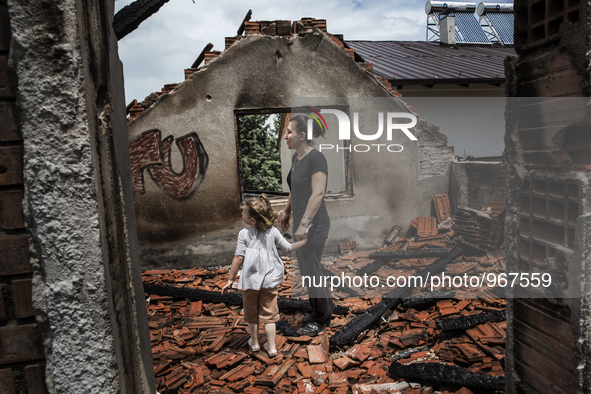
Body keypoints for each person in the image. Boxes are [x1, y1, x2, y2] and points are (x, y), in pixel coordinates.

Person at [222, 194, 307, 357]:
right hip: (269, 282)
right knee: (270, 316)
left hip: (250, 283)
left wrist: (230, 279)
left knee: (251, 314)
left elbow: (238, 258)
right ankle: (272, 346)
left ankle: (254, 343)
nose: (242, 214)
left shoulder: (243, 234)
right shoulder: (272, 232)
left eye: (244, 212)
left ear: (252, 220)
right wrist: (304, 242)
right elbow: (288, 248)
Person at [280, 114, 333, 337]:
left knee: (311, 271)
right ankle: (322, 309)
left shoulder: (316, 158)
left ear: (302, 135)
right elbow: (295, 189)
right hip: (302, 226)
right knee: (309, 269)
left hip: (314, 225)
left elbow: (318, 193)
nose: (285, 136)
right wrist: (287, 210)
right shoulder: (297, 159)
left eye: (289, 132)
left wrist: (303, 224)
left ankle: (321, 319)